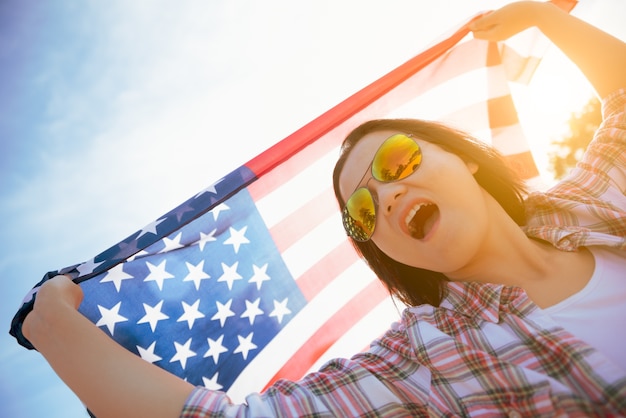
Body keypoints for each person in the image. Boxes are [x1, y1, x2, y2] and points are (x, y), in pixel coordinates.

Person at [21, 1, 626, 416]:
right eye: (361, 212)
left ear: (463, 158)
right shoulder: (422, 361)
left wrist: (543, 16)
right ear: (379, 247)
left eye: (397, 162)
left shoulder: (593, 202)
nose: (385, 196)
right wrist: (54, 326)